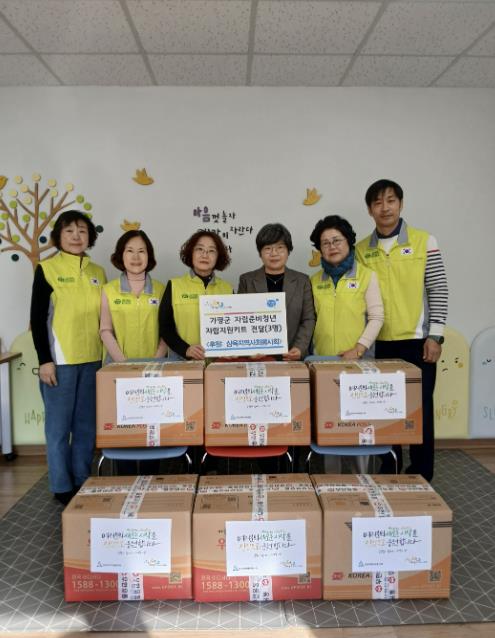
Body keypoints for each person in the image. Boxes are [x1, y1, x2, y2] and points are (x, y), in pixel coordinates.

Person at [356, 179, 448, 481]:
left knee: (420, 409)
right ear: (370, 210)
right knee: (384, 408)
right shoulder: (361, 250)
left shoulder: (424, 241)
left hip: (418, 340)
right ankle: (390, 468)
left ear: (401, 204)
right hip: (380, 343)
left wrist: (436, 336)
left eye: (391, 200)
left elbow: (438, 289)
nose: (385, 208)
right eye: (378, 203)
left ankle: (422, 472)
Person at [30, 210, 106, 505]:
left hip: (92, 360)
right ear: (59, 236)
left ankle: (81, 478)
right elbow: (38, 319)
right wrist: (44, 360)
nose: (76, 236)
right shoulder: (47, 269)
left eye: (82, 231)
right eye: (70, 231)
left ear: (90, 237)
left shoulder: (98, 272)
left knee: (86, 427)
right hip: (59, 361)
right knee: (58, 428)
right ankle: (61, 486)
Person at [309, 215, 384, 358]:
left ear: (348, 241)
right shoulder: (313, 280)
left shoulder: (367, 276)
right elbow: (309, 321)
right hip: (322, 359)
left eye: (337, 240)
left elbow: (377, 317)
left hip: (358, 358)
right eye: (325, 243)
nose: (332, 247)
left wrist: (358, 349)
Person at [237, 223, 315, 360]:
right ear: (260, 253)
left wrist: (299, 348)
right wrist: (251, 349)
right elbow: (240, 319)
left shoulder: (302, 281)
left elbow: (308, 319)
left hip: (292, 357)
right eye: (268, 248)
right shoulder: (247, 280)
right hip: (258, 358)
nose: (274, 253)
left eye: (280, 247)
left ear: (288, 251)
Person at [159, 231, 233, 360]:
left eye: (211, 251)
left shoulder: (227, 288)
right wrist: (185, 349)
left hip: (219, 362)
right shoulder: (174, 285)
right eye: (199, 249)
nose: (205, 255)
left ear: (218, 257)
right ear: (191, 253)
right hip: (182, 362)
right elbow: (165, 327)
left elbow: (234, 327)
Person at [100, 230, 167, 362]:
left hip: (153, 365)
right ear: (121, 255)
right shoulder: (109, 290)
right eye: (130, 251)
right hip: (117, 365)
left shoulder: (161, 289)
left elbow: (167, 331)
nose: (136, 257)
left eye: (141, 251)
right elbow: (105, 330)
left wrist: (155, 361)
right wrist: (123, 363)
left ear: (149, 255)